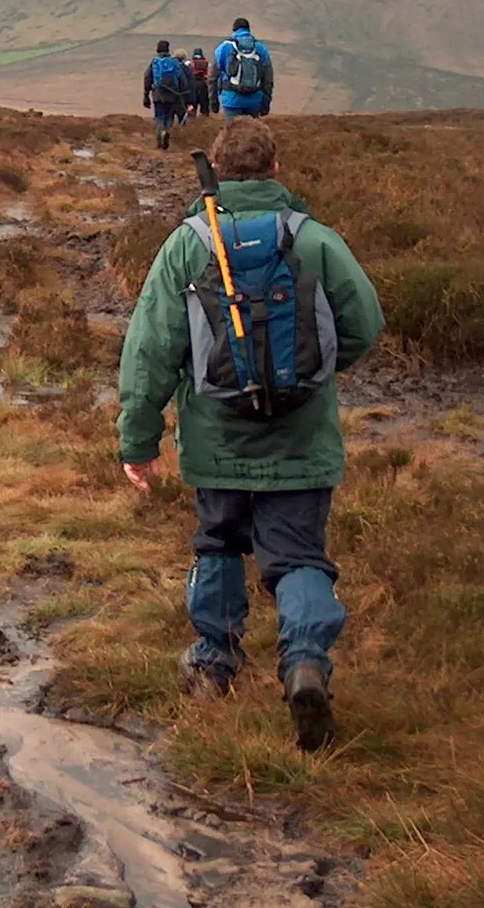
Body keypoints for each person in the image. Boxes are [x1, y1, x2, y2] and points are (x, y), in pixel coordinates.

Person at [117, 119, 384, 750]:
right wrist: (310, 376)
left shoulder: (187, 245)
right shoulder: (315, 240)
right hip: (302, 444)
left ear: (216, 168)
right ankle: (306, 664)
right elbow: (365, 323)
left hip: (216, 444)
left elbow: (151, 350)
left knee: (218, 545)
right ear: (275, 167)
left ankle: (214, 663)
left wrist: (138, 441)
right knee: (297, 559)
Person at [212, 18, 273, 120]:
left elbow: (213, 77)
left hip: (231, 100)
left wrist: (214, 103)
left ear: (234, 30)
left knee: (233, 133)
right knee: (252, 133)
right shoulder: (261, 48)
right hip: (254, 100)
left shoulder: (223, 48)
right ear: (248, 30)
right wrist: (265, 105)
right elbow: (268, 79)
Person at [142, 38, 191, 150]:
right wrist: (182, 93)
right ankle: (167, 131)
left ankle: (160, 134)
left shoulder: (154, 62)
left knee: (159, 115)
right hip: (172, 94)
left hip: (157, 93)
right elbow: (182, 79)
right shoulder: (174, 62)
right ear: (168, 49)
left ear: (158, 49)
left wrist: (146, 93)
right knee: (169, 115)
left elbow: (147, 77)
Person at [185, 47, 212, 119]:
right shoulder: (207, 63)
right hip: (203, 87)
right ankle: (205, 123)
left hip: (192, 88)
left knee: (192, 108)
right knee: (205, 109)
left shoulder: (188, 63)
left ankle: (191, 124)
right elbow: (209, 76)